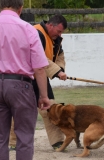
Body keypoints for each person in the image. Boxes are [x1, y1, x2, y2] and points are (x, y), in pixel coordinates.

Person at [0, 0, 51, 160]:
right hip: (21, 85)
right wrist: (44, 96)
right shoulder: (28, 29)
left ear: (0, 6)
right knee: (24, 136)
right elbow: (39, 68)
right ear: (20, 8)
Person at [9, 14, 68, 150]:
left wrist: (60, 69)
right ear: (50, 25)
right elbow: (37, 57)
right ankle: (13, 142)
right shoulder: (35, 32)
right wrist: (57, 72)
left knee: (51, 108)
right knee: (21, 110)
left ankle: (58, 141)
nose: (59, 34)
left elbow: (59, 55)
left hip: (40, 76)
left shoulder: (55, 38)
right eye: (58, 31)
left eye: (61, 32)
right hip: (25, 76)